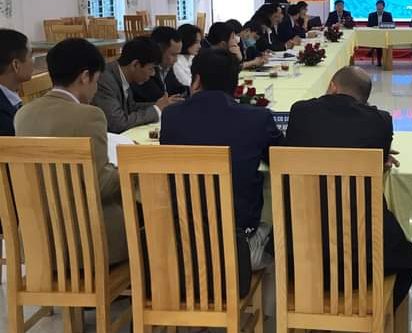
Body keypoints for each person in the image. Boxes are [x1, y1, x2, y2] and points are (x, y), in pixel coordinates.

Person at [284, 66, 412, 308]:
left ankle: (304, 309)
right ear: (364, 98)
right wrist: (379, 157)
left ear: (332, 86)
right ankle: (379, 315)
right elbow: (372, 152)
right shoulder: (380, 121)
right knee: (411, 258)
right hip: (363, 258)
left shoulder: (301, 112)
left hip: (300, 253)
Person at [161, 48, 283, 270]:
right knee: (274, 226)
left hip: (184, 239)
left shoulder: (171, 116)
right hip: (238, 240)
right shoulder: (257, 118)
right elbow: (282, 160)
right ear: (235, 85)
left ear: (196, 81)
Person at [15, 38, 127, 264]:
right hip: (85, 243)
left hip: (37, 241)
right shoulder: (89, 115)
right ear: (85, 76)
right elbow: (100, 185)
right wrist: (125, 169)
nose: (96, 89)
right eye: (96, 81)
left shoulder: (23, 114)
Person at [93, 36, 181, 133]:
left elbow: (131, 107)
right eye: (151, 68)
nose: (153, 74)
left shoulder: (123, 75)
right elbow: (118, 123)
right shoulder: (106, 80)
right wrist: (156, 109)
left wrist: (161, 105)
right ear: (135, 65)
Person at [131, 26, 185, 102]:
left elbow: (178, 89)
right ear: (159, 50)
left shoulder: (167, 66)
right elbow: (157, 98)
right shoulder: (144, 69)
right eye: (173, 54)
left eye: (178, 54)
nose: (176, 60)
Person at [0, 29, 33, 136]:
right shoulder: (4, 118)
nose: (33, 61)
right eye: (30, 56)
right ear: (16, 65)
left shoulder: (9, 97)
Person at [174, 23, 202, 88]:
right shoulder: (176, 62)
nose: (199, 46)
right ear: (187, 41)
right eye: (196, 42)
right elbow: (188, 84)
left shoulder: (193, 58)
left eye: (200, 42)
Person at [367, 0, 394, 67]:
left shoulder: (388, 15)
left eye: (380, 6)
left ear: (383, 7)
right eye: (377, 6)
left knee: (382, 42)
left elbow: (391, 25)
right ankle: (379, 60)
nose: (379, 8)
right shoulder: (371, 15)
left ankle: (384, 60)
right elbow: (368, 26)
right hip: (374, 35)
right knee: (379, 42)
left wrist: (381, 26)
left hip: (385, 35)